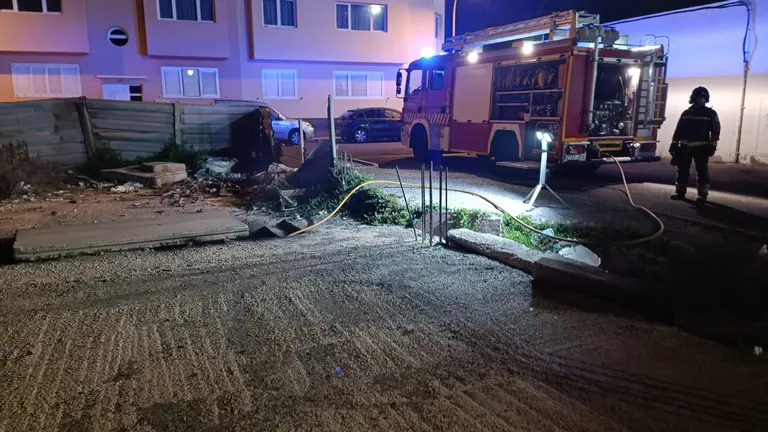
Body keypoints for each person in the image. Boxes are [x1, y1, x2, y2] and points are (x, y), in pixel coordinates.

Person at [668, 86, 720, 205]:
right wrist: (674, 145)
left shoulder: (710, 114)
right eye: (698, 98)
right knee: (682, 171)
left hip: (702, 148)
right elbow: (678, 130)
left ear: (706, 99)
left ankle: (703, 195)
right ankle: (680, 192)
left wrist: (712, 145)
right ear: (694, 98)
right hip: (685, 147)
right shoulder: (686, 113)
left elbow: (716, 131)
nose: (700, 100)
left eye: (703, 98)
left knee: (702, 171)